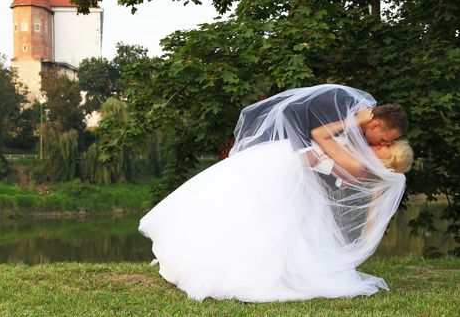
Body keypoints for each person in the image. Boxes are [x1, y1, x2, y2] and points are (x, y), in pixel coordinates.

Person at [139, 84, 413, 302]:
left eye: (388, 145)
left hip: (288, 165)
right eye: (387, 139)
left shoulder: (359, 162)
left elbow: (320, 136)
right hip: (285, 161)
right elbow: (316, 133)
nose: (385, 143)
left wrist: (351, 122)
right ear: (376, 126)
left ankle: (237, 266)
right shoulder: (358, 142)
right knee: (246, 208)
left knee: (260, 216)